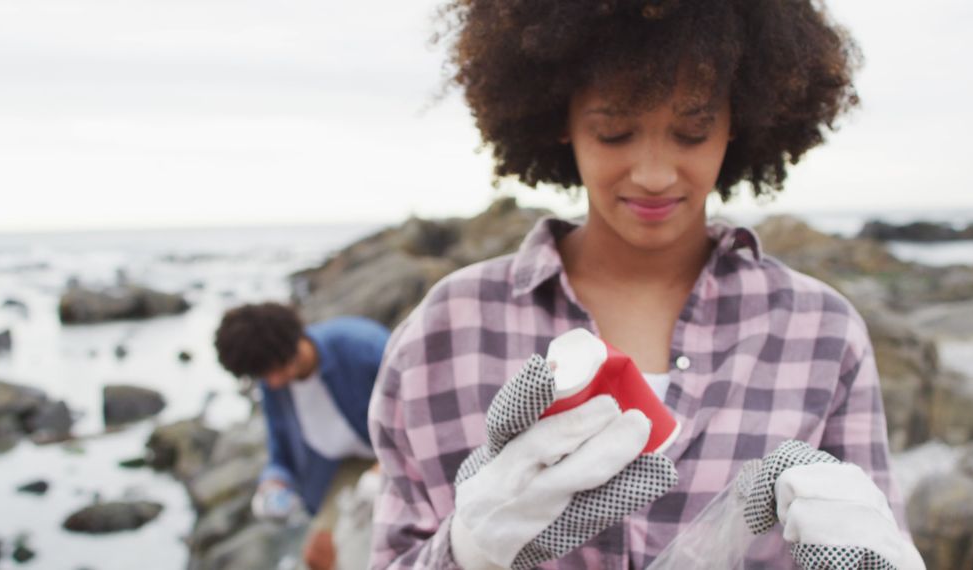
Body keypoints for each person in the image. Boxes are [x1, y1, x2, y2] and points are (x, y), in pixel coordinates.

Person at [368, 1, 922, 569]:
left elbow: (873, 538)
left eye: (692, 132)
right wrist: (467, 552)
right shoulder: (445, 332)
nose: (654, 175)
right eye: (614, 133)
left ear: (737, 122)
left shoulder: (820, 332)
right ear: (561, 117)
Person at [214, 302, 389, 570]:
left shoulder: (362, 346)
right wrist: (273, 485)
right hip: (345, 469)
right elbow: (280, 454)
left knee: (362, 554)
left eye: (274, 369)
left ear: (291, 343)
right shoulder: (274, 386)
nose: (273, 382)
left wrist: (384, 468)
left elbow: (424, 411)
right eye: (262, 375)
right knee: (317, 558)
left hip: (400, 454)